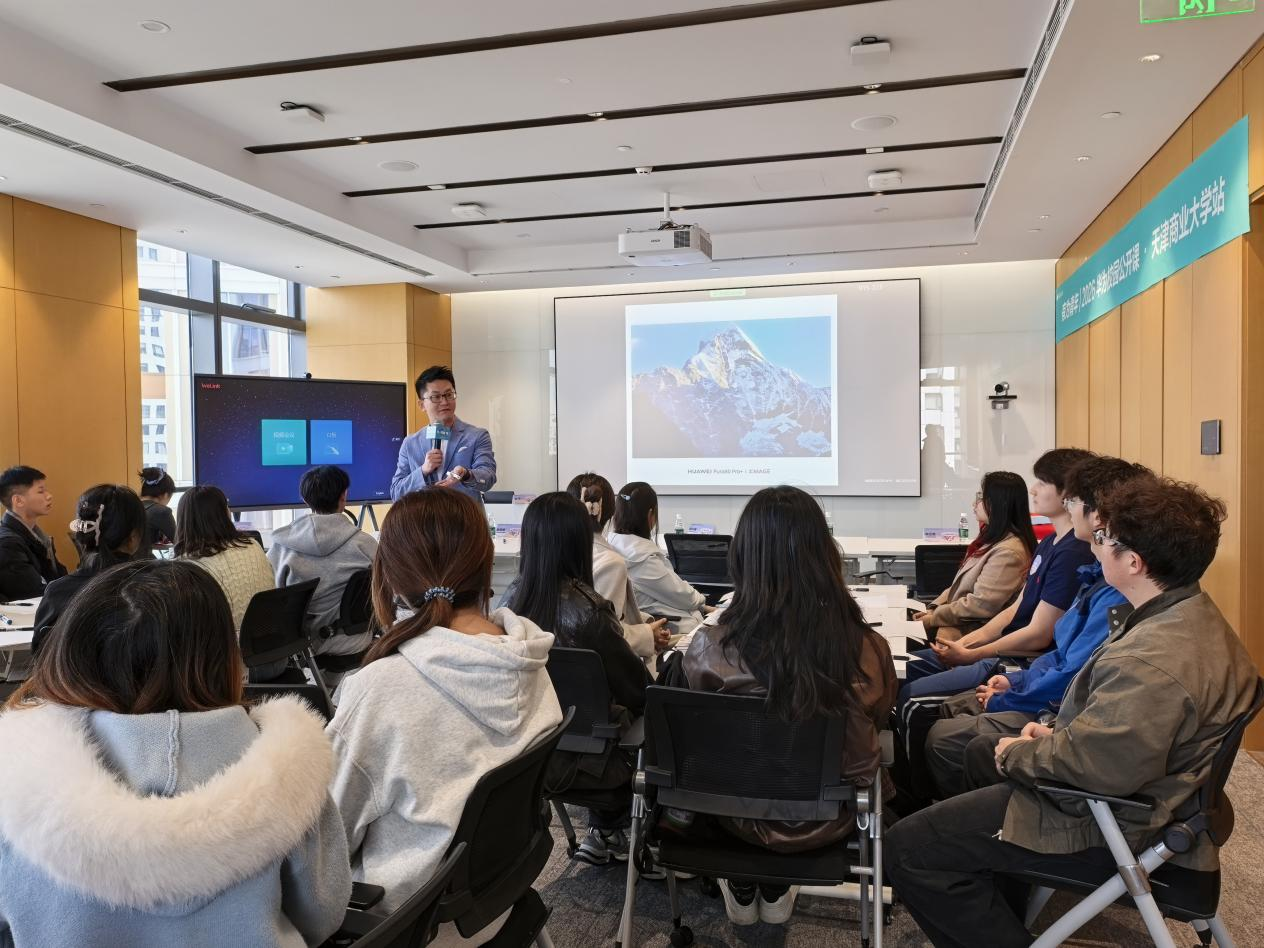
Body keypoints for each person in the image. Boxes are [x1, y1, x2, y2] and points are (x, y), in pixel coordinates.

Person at [885, 476, 1259, 948]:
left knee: (909, 848)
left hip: (1117, 823)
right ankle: (996, 888)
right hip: (1149, 796)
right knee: (978, 755)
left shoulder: (1151, 659)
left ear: (1134, 562)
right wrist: (1050, 736)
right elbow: (1118, 737)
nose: (1095, 546)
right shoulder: (1187, 615)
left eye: (1104, 538)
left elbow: (1097, 769)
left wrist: (1018, 753)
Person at [0, 559, 350, 947]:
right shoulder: (291, 767)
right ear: (224, 655)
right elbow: (323, 914)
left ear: (73, 652)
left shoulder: (18, 777)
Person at [327, 489, 561, 934]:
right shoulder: (530, 660)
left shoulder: (380, 690)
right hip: (496, 900)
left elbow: (324, 842)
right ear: (485, 564)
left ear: (391, 577)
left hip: (406, 924)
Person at [683, 485, 897, 927]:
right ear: (823, 555)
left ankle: (746, 876)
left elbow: (701, 737)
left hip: (732, 814)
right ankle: (777, 880)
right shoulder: (864, 648)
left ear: (743, 557)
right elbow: (874, 724)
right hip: (826, 817)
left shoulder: (707, 648)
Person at [922, 456, 1152, 799]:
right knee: (943, 718)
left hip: (1051, 703)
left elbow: (1065, 664)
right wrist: (1013, 679)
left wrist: (994, 675)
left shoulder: (1105, 586)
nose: (1068, 504)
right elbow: (1059, 652)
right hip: (1037, 683)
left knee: (941, 730)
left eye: (1074, 499)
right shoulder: (1090, 573)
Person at [504, 491, 652, 867]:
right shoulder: (590, 613)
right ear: (578, 542)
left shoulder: (508, 606)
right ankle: (629, 831)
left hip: (528, 758)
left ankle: (606, 830)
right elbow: (637, 691)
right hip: (596, 765)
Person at [899, 449, 1096, 707]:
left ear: (1068, 492)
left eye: (1042, 482)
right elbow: (1014, 611)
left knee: (910, 693)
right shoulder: (1049, 543)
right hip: (999, 647)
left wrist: (972, 654)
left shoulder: (1072, 552)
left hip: (1017, 658)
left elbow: (1039, 634)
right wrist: (965, 646)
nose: (1033, 490)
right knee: (896, 667)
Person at [268, 465, 378, 656]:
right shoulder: (366, 545)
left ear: (305, 500)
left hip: (303, 651)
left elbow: (270, 599)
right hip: (356, 644)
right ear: (344, 496)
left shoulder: (280, 548)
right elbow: (386, 592)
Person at [913, 471, 1036, 641]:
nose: (975, 503)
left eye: (981, 498)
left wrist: (933, 617)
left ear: (998, 504)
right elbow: (957, 588)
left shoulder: (1009, 552)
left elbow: (980, 605)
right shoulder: (992, 540)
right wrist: (932, 609)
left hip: (972, 635)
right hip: (955, 623)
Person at [32, 484, 147, 656]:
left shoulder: (58, 592)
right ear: (134, 537)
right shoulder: (155, 589)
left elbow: (39, 654)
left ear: (81, 535)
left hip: (65, 674)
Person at [566, 472, 668, 665]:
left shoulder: (560, 552)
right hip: (602, 669)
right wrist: (647, 633)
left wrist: (645, 622)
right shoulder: (611, 563)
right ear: (611, 512)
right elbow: (606, 633)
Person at [175, 486, 277, 675]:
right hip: (275, 656)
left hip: (229, 671)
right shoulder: (253, 545)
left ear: (183, 520)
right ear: (225, 513)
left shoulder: (187, 567)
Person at [607, 481, 707, 635]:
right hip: (672, 631)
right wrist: (703, 602)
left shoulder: (612, 546)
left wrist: (703, 606)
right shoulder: (642, 558)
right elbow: (684, 596)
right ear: (650, 515)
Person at [390, 365, 496, 503]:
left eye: (449, 395)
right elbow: (396, 492)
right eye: (436, 397)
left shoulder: (477, 436)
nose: (445, 402)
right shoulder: (410, 443)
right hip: (424, 517)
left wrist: (466, 474)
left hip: (465, 516)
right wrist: (423, 470)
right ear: (421, 405)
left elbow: (488, 478)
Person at [0, 465, 67, 602]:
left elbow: (59, 579)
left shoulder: (39, 537)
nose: (49, 496)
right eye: (41, 491)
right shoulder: (7, 543)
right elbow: (34, 592)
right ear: (18, 500)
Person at [137, 466, 177, 558]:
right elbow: (180, 542)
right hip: (141, 563)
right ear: (166, 494)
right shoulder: (161, 511)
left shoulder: (129, 504)